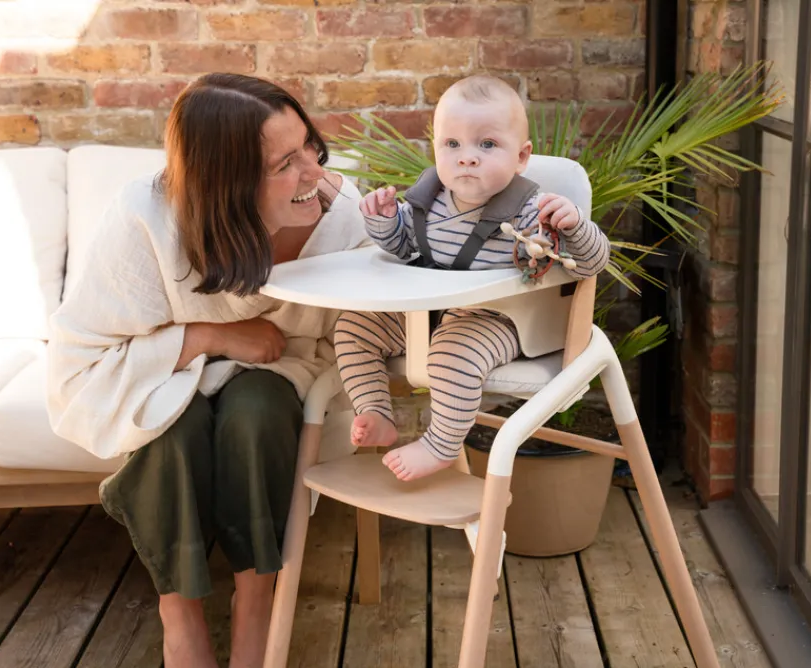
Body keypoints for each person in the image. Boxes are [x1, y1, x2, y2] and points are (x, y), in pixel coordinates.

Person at [46, 74, 369, 668]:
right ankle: (180, 610)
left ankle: (255, 601)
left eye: (310, 148)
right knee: (173, 426)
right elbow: (78, 363)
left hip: (285, 371)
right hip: (172, 366)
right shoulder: (149, 215)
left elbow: (370, 335)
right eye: (284, 164)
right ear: (226, 183)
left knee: (257, 414)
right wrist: (209, 336)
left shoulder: (344, 219)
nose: (314, 174)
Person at [334, 75, 611, 482]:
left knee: (453, 349)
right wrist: (383, 219)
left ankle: (441, 445)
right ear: (436, 149)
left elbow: (592, 265)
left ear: (520, 157)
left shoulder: (533, 211)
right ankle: (375, 410)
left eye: (487, 144)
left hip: (503, 320)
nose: (467, 157)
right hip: (431, 313)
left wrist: (576, 228)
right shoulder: (428, 202)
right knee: (352, 327)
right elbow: (401, 246)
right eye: (452, 144)